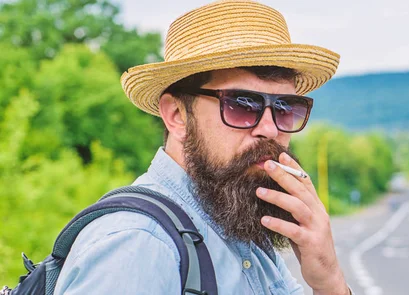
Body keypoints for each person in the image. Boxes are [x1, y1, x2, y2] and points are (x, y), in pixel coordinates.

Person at [54, 0, 351, 294]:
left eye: (286, 107)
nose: (270, 129)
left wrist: (329, 282)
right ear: (177, 116)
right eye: (243, 104)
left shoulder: (238, 223)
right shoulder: (138, 246)